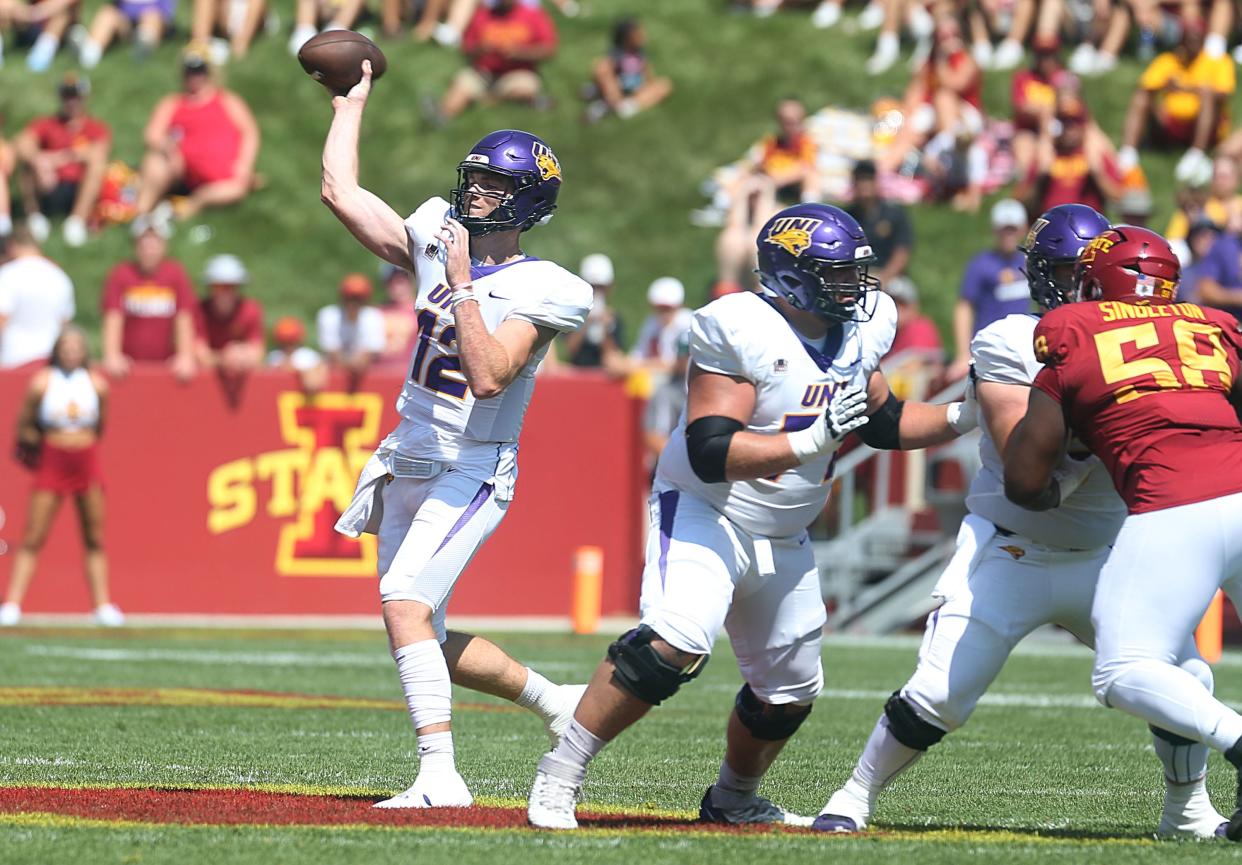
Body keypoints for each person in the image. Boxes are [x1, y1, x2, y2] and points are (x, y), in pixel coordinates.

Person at [527, 203, 978, 830]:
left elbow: (885, 419)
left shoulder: (862, 324)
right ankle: (560, 775)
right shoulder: (741, 326)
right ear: (791, 274)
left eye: (856, 272)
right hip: (709, 508)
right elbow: (712, 451)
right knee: (673, 643)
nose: (856, 287)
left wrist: (965, 414)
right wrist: (807, 442)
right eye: (837, 273)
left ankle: (733, 799)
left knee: (789, 692)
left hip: (784, 525)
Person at [815, 205, 1228, 840]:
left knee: (1188, 674)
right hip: (1016, 548)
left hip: (1110, 553)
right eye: (1067, 272)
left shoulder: (1159, 340)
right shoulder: (1012, 337)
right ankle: (854, 794)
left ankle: (1188, 811)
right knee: (941, 694)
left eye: (1090, 272)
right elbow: (1028, 474)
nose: (1080, 287)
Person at [322, 59, 594, 808]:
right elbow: (340, 193)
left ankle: (440, 777)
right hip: (409, 452)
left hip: (472, 463)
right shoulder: (438, 239)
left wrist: (465, 278)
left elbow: (488, 375)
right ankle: (557, 701)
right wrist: (351, 103)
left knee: (403, 601)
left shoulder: (550, 286)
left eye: (494, 186)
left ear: (528, 203)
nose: (475, 192)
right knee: (424, 634)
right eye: (473, 177)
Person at [1003, 224, 1242, 841]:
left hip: (1173, 503)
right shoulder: (1214, 325)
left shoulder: (1070, 333)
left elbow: (1024, 482)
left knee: (1124, 669)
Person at [1, 326, 122, 629]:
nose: (70, 351)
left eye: (76, 346)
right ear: (57, 350)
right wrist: (33, 443)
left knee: (94, 535)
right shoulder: (43, 382)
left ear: (84, 351)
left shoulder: (96, 384)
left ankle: (102, 604)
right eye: (65, 346)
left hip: (85, 459)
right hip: (53, 458)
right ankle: (12, 604)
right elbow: (25, 423)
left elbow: (101, 424)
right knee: (33, 534)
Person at [134, 52, 260, 223]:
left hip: (226, 177)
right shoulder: (173, 103)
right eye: (190, 72)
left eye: (199, 71)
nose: (195, 77)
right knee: (155, 162)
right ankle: (141, 216)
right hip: (184, 172)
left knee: (235, 189)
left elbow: (250, 132)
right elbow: (152, 134)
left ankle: (191, 208)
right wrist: (169, 149)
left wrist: (244, 163)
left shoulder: (226, 100)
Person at [1119, 21, 1235, 185]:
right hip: (1170, 122)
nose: (1191, 45)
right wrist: (1165, 85)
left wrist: (1186, 88)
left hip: (1205, 126)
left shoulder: (1218, 62)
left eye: (1196, 40)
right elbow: (1146, 85)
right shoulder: (1168, 60)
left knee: (1208, 95)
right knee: (1142, 96)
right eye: (1188, 40)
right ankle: (1128, 153)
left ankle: (1197, 155)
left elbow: (1224, 94)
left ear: (1203, 41)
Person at [13, 73, 110, 249]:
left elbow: (98, 152)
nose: (71, 101)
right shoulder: (47, 124)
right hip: (48, 186)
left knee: (97, 166)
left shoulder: (95, 128)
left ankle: (77, 221)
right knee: (28, 164)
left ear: (83, 98)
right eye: (67, 96)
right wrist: (39, 161)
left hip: (77, 188)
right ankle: (35, 217)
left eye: (75, 96)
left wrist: (56, 159)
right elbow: (21, 144)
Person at [429, 0, 557, 124]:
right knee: (462, 83)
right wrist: (482, 48)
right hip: (484, 73)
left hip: (516, 73)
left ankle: (491, 101)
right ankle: (443, 114)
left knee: (526, 87)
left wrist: (519, 53)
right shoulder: (483, 14)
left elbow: (548, 49)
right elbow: (467, 49)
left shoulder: (532, 14)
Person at [101, 219, 197, 381]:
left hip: (166, 363)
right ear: (135, 246)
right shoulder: (122, 274)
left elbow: (184, 316)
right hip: (129, 364)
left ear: (164, 245)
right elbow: (113, 316)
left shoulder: (175, 273)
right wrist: (112, 354)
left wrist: (185, 355)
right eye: (144, 243)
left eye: (154, 242)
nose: (149, 249)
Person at [948, 199, 1029, 380]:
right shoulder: (981, 264)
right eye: (1004, 229)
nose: (1008, 235)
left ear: (1023, 229)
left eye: (1013, 229)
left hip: (1023, 347)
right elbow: (964, 307)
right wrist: (963, 354)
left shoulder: (1028, 263)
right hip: (991, 348)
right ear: (995, 230)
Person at [0, 225, 74, 369]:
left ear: (11, 246)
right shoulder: (60, 276)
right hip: (51, 362)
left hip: (13, 359)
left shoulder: (7, 275)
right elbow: (65, 323)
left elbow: (2, 318)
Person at [583, 17, 672, 124]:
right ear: (627, 38)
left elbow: (647, 71)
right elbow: (605, 72)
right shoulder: (617, 54)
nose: (644, 36)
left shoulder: (640, 52)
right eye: (639, 34)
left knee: (665, 85)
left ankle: (624, 105)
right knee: (601, 68)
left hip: (634, 89)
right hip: (618, 87)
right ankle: (605, 100)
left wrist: (649, 84)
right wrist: (613, 90)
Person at [846, 159, 912, 287]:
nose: (864, 185)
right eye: (860, 180)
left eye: (868, 179)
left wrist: (884, 279)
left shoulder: (894, 214)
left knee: (904, 292)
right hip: (854, 276)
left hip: (887, 275)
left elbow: (902, 251)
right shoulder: (848, 217)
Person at [195, 253, 264, 375]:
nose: (225, 292)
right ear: (210, 287)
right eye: (219, 286)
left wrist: (242, 355)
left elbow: (258, 353)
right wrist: (223, 358)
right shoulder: (199, 311)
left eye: (231, 286)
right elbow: (198, 353)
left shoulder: (251, 310)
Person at [317, 272, 386, 388]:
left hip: (365, 376)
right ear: (342, 298)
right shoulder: (328, 315)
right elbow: (332, 352)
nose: (353, 303)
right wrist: (351, 363)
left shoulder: (373, 316)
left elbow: (368, 355)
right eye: (349, 298)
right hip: (334, 371)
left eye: (358, 298)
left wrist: (354, 362)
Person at [561, 253, 624, 372]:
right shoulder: (574, 316)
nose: (597, 292)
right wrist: (586, 321)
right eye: (593, 287)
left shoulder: (613, 318)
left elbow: (613, 357)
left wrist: (606, 328)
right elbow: (571, 350)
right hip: (579, 373)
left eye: (601, 287)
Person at [880, 276, 942, 393]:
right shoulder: (884, 331)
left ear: (913, 305)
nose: (896, 308)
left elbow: (917, 363)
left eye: (901, 303)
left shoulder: (921, 326)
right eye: (892, 302)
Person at [77, 0, 176, 68]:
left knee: (151, 18)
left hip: (153, 17)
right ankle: (89, 54)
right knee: (107, 14)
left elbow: (164, 13)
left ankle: (142, 53)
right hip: (125, 19)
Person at [629, 277, 692, 379]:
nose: (663, 314)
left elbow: (677, 365)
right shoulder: (651, 322)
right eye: (660, 309)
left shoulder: (687, 323)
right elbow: (637, 355)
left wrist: (640, 366)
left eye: (667, 309)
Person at [189, 0, 268, 63]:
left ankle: (200, 43)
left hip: (245, 12)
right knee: (199, 44)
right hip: (225, 13)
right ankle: (200, 43)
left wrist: (242, 41)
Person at [267, 315, 326, 393]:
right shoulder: (275, 356)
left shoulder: (308, 355)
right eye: (284, 343)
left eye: (291, 342)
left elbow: (314, 382)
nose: (288, 346)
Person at [377, 262, 418, 367]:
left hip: (411, 374)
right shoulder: (377, 313)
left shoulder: (422, 311)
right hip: (379, 373)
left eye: (401, 281)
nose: (397, 286)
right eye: (393, 282)